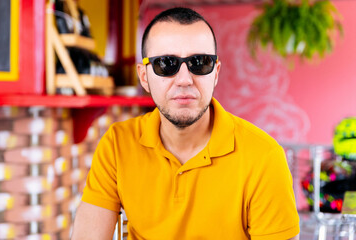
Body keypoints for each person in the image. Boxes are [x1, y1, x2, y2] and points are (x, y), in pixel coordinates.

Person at [72, 7, 300, 240]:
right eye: (166, 64)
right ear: (144, 77)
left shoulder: (264, 157)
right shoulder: (117, 144)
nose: (184, 80)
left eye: (199, 63)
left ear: (216, 73)